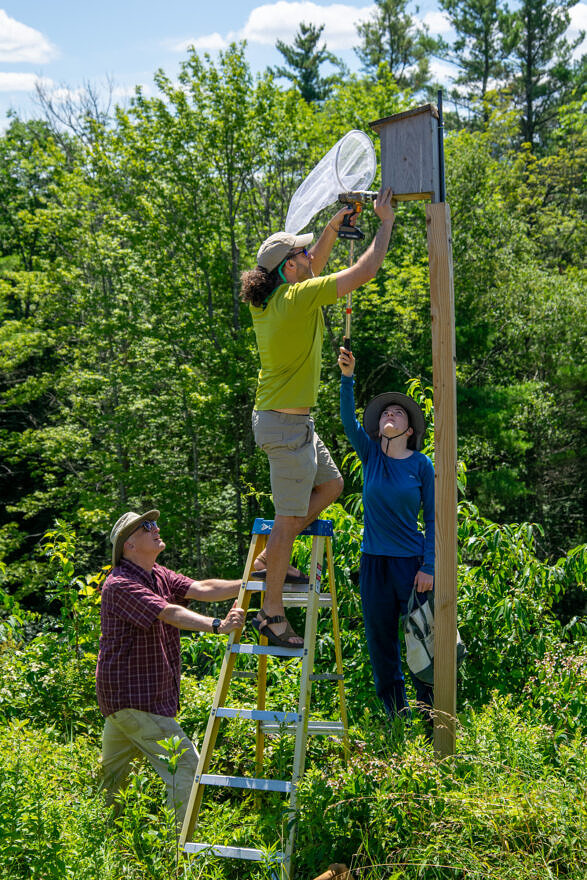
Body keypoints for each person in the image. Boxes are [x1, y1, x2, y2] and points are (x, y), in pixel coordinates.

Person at [240, 188, 395, 648]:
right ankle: (270, 614)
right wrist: (384, 223)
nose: (311, 256)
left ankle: (271, 557)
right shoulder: (298, 297)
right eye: (303, 253)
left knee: (331, 485)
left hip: (288, 425)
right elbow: (364, 271)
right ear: (290, 267)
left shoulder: (270, 300)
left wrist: (332, 226)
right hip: (285, 429)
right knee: (287, 519)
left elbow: (315, 267)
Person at [96, 508, 245, 824]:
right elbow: (168, 613)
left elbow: (203, 589)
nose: (156, 528)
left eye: (153, 523)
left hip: (124, 702)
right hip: (137, 701)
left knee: (112, 783)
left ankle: (109, 847)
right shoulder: (120, 583)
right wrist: (218, 624)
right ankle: (175, 856)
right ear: (129, 546)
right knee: (187, 768)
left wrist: (250, 579)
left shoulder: (158, 574)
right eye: (146, 526)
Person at [337, 348, 435, 724]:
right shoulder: (371, 456)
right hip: (373, 564)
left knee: (422, 643)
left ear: (409, 430)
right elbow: (348, 421)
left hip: (412, 567)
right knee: (381, 645)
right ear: (379, 429)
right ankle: (396, 720)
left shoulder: (420, 465)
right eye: (385, 414)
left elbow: (435, 519)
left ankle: (431, 723)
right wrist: (348, 377)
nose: (390, 415)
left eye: (398, 413)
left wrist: (429, 565)